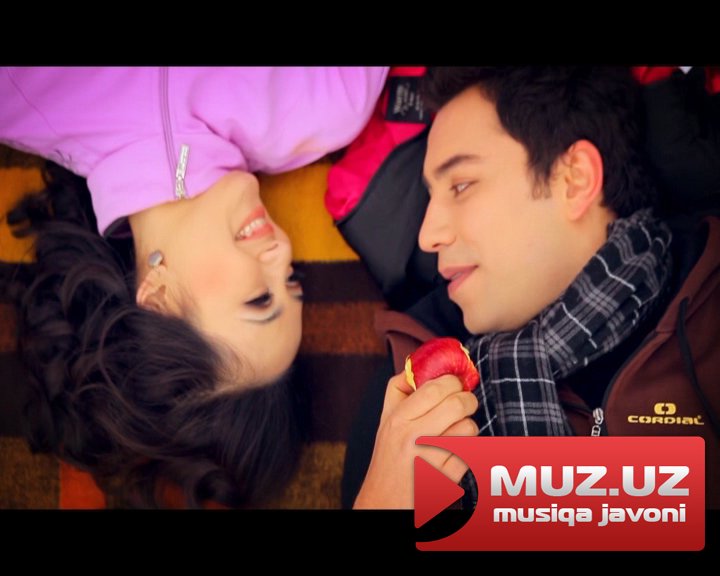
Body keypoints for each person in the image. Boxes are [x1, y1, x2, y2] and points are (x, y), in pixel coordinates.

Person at [0, 66, 394, 508]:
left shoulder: (18, 98)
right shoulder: (329, 101)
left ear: (159, 300)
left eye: (259, 299)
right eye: (291, 280)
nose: (282, 251)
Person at [341, 66, 720, 510]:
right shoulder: (404, 393)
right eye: (431, 196)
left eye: (461, 185)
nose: (427, 236)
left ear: (575, 179)